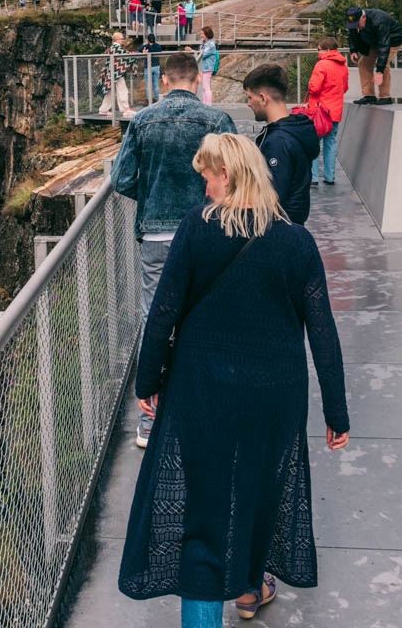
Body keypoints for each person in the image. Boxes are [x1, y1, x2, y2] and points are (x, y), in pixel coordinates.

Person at [118, 133, 349, 626]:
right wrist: (336, 412)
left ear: (228, 175)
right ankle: (249, 590)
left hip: (204, 391)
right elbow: (322, 330)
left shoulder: (197, 231)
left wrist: (147, 381)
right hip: (274, 396)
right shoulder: (296, 241)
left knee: (203, 513)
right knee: (260, 491)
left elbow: (164, 312)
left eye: (207, 176)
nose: (204, 188)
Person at [111, 51, 237, 447]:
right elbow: (237, 175)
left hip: (159, 237)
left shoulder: (143, 120)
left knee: (156, 319)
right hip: (210, 233)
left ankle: (151, 423)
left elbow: (121, 179)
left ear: (163, 81)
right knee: (210, 317)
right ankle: (209, 413)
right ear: (198, 79)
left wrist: (149, 198)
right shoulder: (217, 120)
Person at [243, 63, 319, 224]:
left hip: (278, 232)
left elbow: (271, 199)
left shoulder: (278, 142)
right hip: (291, 229)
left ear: (263, 98)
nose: (249, 103)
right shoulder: (292, 131)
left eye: (250, 97)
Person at [307, 37, 349, 185]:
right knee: (330, 144)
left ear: (327, 50)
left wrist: (310, 84)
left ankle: (313, 177)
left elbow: (314, 88)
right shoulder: (343, 66)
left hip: (320, 111)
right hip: (335, 112)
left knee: (314, 143)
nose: (318, 52)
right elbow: (344, 88)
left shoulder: (321, 64)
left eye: (319, 49)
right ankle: (330, 177)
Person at [346, 6, 402, 105]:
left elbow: (384, 46)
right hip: (374, 41)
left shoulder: (379, 20)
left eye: (358, 25)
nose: (357, 27)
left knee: (383, 64)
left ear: (363, 17)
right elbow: (351, 35)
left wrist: (379, 72)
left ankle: (385, 97)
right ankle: (369, 96)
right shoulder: (353, 20)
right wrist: (353, 50)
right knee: (363, 64)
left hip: (392, 40)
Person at [98, 32, 137, 117]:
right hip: (117, 73)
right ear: (117, 39)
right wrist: (136, 54)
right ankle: (126, 110)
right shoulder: (117, 47)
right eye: (122, 38)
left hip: (112, 72)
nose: (123, 40)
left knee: (110, 92)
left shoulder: (113, 47)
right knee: (122, 90)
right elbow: (127, 56)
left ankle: (103, 110)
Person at [188, 25, 218, 105]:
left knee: (206, 87)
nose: (201, 36)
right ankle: (204, 103)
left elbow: (203, 54)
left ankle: (208, 105)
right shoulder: (204, 43)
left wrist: (192, 50)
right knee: (203, 87)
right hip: (203, 68)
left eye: (202, 34)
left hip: (207, 68)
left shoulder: (211, 44)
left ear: (207, 34)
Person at [139, 33, 163, 102]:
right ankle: (156, 98)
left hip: (148, 67)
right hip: (156, 66)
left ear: (148, 40)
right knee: (156, 83)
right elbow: (160, 50)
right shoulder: (158, 46)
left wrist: (144, 45)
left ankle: (148, 99)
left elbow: (139, 49)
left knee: (148, 84)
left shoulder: (146, 46)